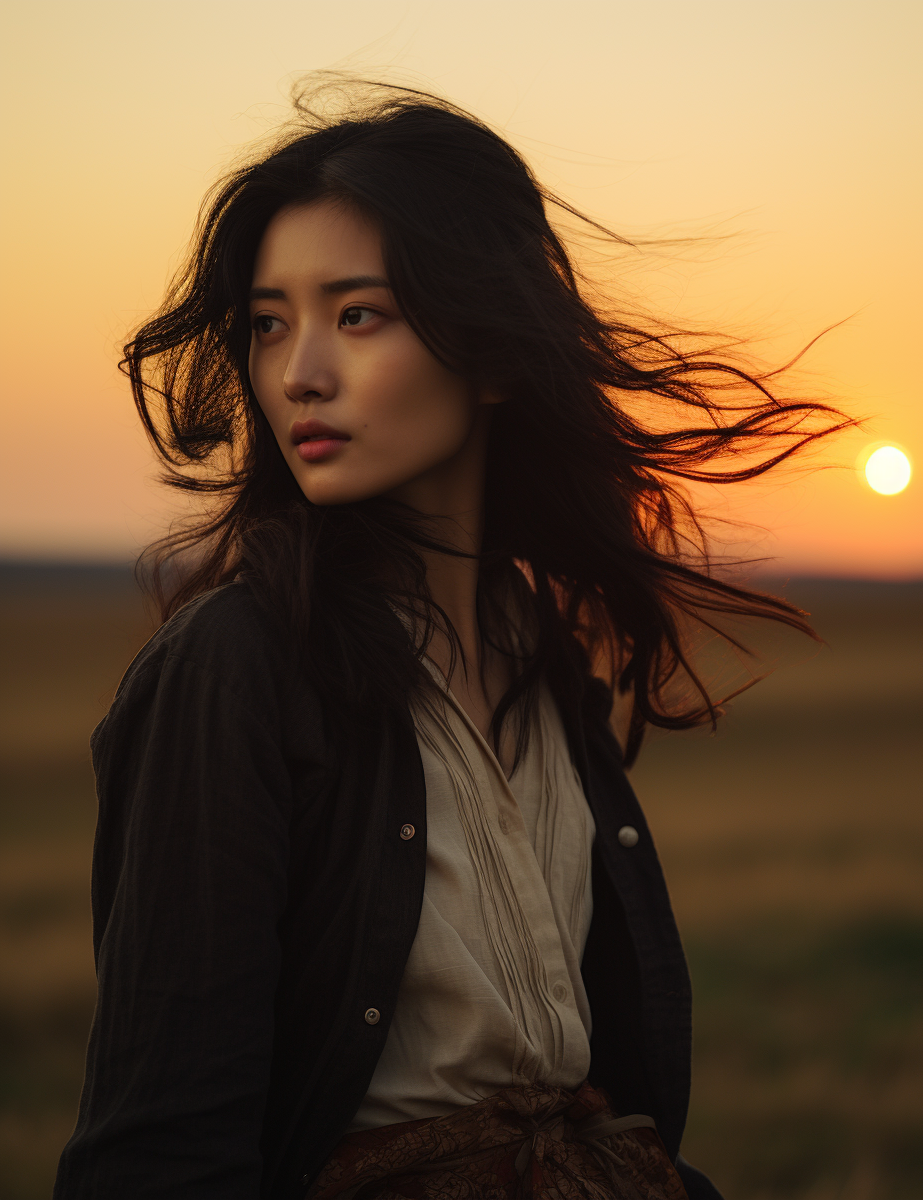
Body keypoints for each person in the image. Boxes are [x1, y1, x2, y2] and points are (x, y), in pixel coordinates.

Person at [54, 78, 845, 1200]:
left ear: (496, 355)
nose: (298, 373)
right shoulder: (234, 668)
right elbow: (158, 1151)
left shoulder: (546, 665)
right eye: (270, 323)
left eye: (356, 315)